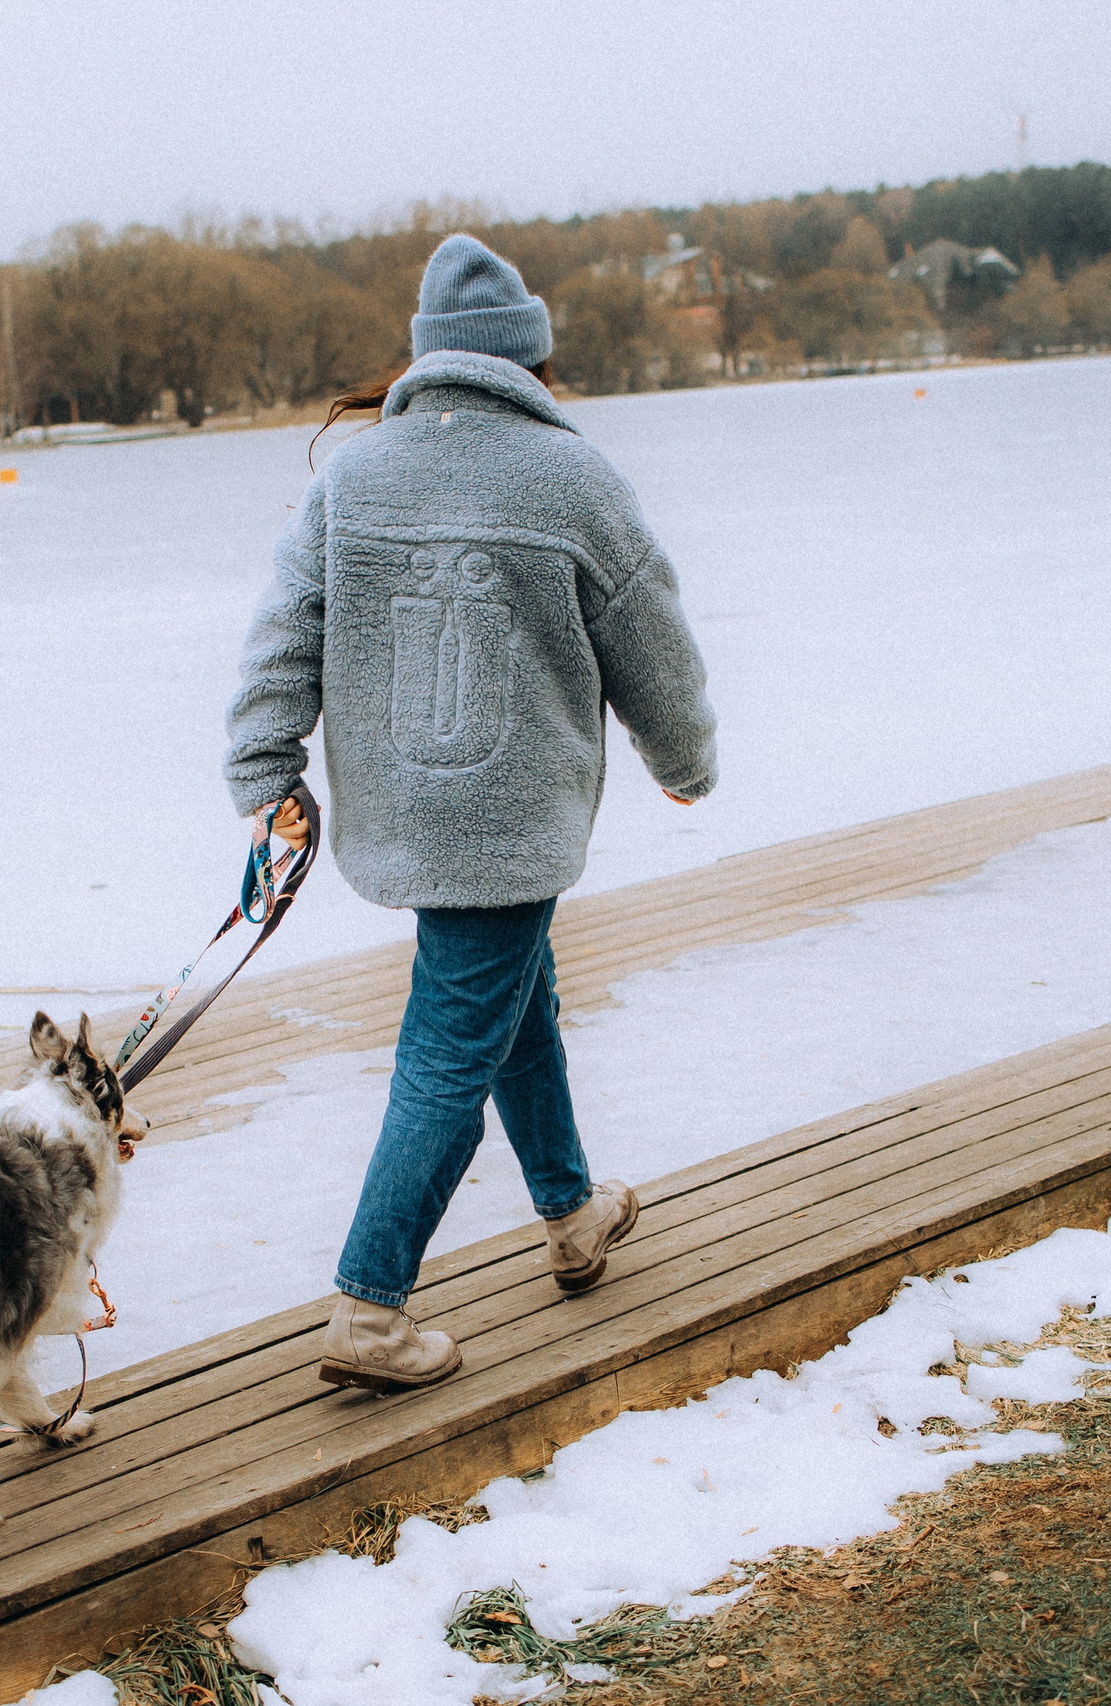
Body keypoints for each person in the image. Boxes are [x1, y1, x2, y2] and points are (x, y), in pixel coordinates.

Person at [224, 233, 719, 1391]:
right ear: (532, 361)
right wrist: (684, 759)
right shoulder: (575, 477)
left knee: (509, 993)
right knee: (453, 1039)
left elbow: (279, 637)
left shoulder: (356, 474)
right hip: (511, 814)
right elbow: (653, 637)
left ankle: (571, 1210)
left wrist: (266, 774)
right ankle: (370, 1302)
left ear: (428, 359)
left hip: (402, 808)